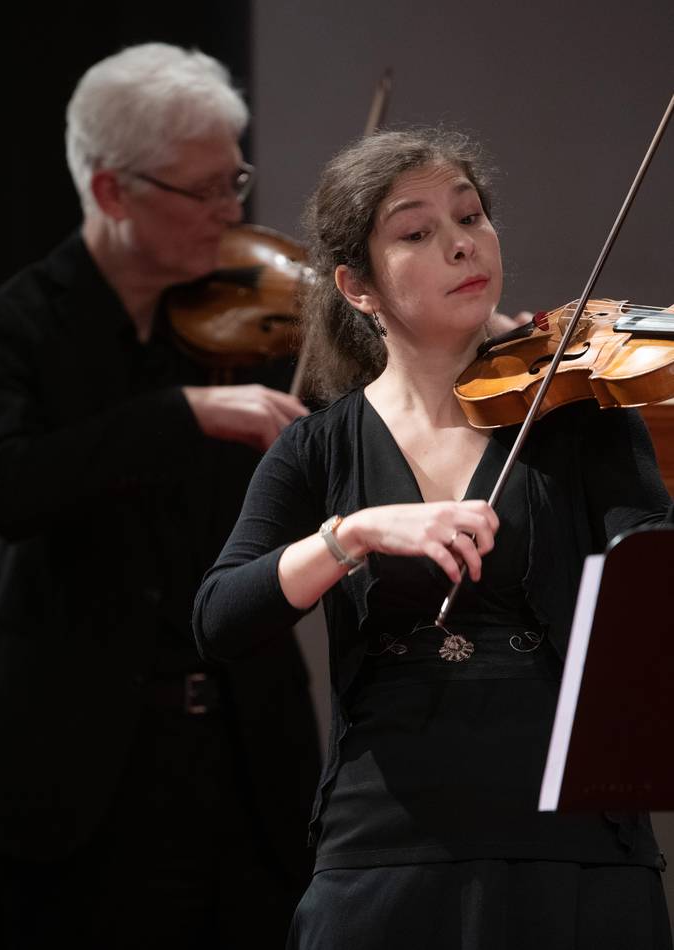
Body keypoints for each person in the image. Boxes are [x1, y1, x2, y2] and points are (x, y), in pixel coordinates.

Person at [193, 128, 673, 949]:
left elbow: (654, 582)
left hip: (573, 839)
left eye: (471, 216)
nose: (461, 244)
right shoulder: (319, 447)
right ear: (357, 286)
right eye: (416, 233)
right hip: (384, 846)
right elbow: (220, 618)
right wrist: (354, 534)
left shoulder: (581, 415)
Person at [0, 43, 321, 949]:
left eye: (237, 181)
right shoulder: (5, 324)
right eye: (207, 190)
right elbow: (7, 487)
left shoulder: (247, 314)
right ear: (112, 192)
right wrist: (180, 413)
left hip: (247, 762)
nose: (234, 212)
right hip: (77, 784)